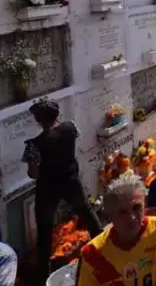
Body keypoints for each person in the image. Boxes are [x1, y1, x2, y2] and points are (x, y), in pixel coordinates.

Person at [23, 99, 103, 285]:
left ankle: (43, 275)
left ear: (38, 120)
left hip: (48, 188)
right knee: (88, 214)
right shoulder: (70, 128)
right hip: (70, 181)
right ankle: (104, 249)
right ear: (57, 115)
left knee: (44, 231)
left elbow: (33, 174)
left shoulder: (34, 145)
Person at [77, 174, 156, 286]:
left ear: (145, 205)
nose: (132, 218)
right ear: (109, 216)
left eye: (136, 208)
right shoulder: (92, 254)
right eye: (123, 212)